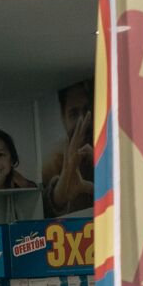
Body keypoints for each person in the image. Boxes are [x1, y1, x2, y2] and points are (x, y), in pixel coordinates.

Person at [40, 79, 94, 217]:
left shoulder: (120, 152)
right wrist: (58, 197)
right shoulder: (52, 163)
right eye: (74, 114)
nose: (82, 121)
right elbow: (41, 212)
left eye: (87, 110)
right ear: (63, 118)